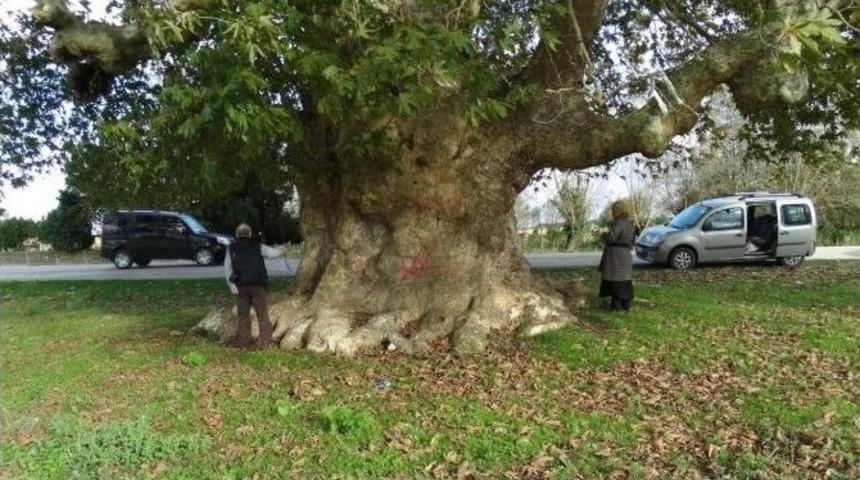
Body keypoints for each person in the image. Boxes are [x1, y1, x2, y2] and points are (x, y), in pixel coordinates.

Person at [224, 223, 282, 349]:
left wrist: (231, 285)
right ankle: (264, 343)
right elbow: (274, 253)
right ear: (250, 234)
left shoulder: (231, 248)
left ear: (237, 235)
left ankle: (243, 342)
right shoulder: (258, 245)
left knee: (243, 315)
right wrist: (282, 250)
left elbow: (227, 268)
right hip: (258, 285)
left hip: (241, 286)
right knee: (262, 315)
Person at [598, 200, 635, 311]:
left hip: (616, 256)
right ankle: (626, 305)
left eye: (613, 210)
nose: (612, 212)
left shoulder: (618, 223)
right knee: (624, 281)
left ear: (618, 210)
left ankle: (617, 306)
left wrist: (603, 235)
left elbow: (612, 237)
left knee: (616, 281)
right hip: (625, 255)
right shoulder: (628, 223)